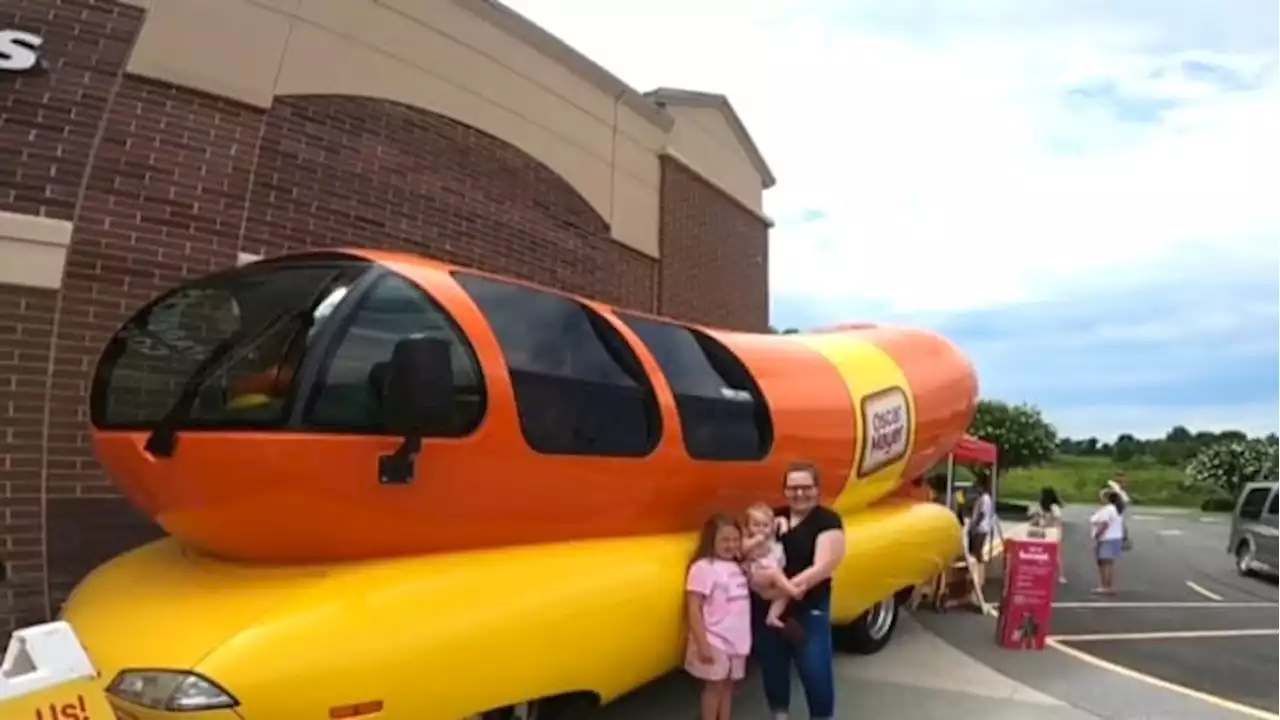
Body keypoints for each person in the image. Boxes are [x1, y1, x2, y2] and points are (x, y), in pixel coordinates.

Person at [752, 462, 845, 720]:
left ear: (817, 489)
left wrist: (783, 591)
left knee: (815, 672)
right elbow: (751, 552)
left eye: (806, 487)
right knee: (774, 670)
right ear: (785, 490)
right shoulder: (773, 517)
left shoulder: (828, 520)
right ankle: (780, 716)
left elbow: (823, 567)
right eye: (793, 488)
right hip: (766, 611)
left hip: (807, 610)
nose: (799, 493)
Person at [685, 514, 752, 720]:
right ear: (711, 540)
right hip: (715, 639)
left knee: (729, 686)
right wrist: (701, 644)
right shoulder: (703, 568)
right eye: (724, 540)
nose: (731, 545)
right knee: (714, 687)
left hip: (737, 641)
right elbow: (693, 608)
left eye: (735, 539)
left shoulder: (738, 567)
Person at [741, 503, 803, 628]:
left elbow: (780, 520)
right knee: (781, 580)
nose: (761, 529)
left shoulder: (771, 536)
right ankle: (795, 591)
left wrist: (782, 523)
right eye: (756, 525)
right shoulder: (749, 539)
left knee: (783, 594)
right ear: (748, 526)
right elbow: (743, 549)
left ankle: (772, 616)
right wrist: (755, 541)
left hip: (771, 578)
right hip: (757, 573)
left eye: (765, 526)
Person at [1028, 486, 1067, 584]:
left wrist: (1046, 523)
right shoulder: (1040, 506)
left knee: (1055, 554)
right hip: (1044, 530)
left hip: (1052, 531)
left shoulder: (1054, 507)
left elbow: (1058, 521)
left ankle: (1061, 575)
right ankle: (1042, 572)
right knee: (1042, 552)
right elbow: (1035, 517)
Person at [1090, 490, 1126, 594]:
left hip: (1106, 538)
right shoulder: (1116, 509)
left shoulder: (1108, 510)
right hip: (1114, 538)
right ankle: (1107, 586)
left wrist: (1097, 534)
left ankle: (1105, 586)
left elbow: (1104, 524)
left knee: (1105, 563)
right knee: (1107, 563)